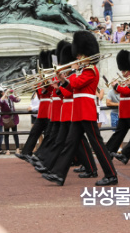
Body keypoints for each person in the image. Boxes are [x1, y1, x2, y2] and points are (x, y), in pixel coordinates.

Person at [43, 31, 118, 186]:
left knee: (97, 144)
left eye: (78, 56)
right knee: (70, 144)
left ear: (85, 55)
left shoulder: (90, 70)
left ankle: (111, 175)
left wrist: (75, 71)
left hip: (86, 111)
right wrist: (63, 80)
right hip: (78, 112)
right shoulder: (83, 71)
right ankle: (58, 174)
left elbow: (76, 84)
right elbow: (71, 90)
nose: (76, 58)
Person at [0, 87, 20, 154]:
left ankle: (17, 149)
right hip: (6, 119)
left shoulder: (10, 97)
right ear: (1, 93)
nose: (6, 92)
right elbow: (1, 101)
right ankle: (7, 150)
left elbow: (18, 100)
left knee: (15, 133)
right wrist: (5, 94)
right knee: (6, 134)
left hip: (13, 118)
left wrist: (15, 93)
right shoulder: (0, 99)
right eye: (4, 91)